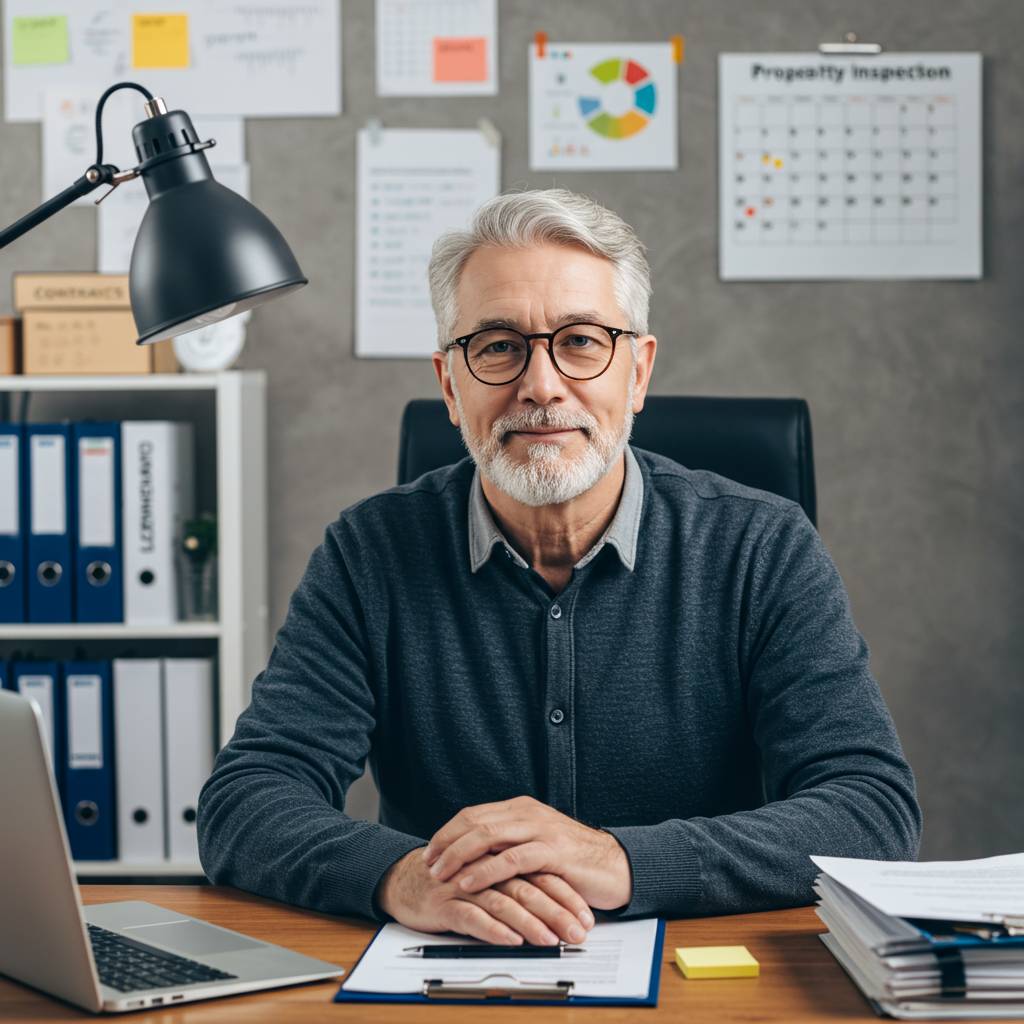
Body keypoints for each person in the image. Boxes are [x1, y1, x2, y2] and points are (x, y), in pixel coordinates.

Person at [198, 188, 921, 949]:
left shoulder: (762, 547)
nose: (541, 386)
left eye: (580, 341)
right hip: (449, 967)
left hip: (699, 978)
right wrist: (401, 876)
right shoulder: (368, 554)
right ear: (450, 385)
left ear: (637, 373)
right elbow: (245, 801)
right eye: (497, 345)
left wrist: (620, 861)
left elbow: (870, 811)